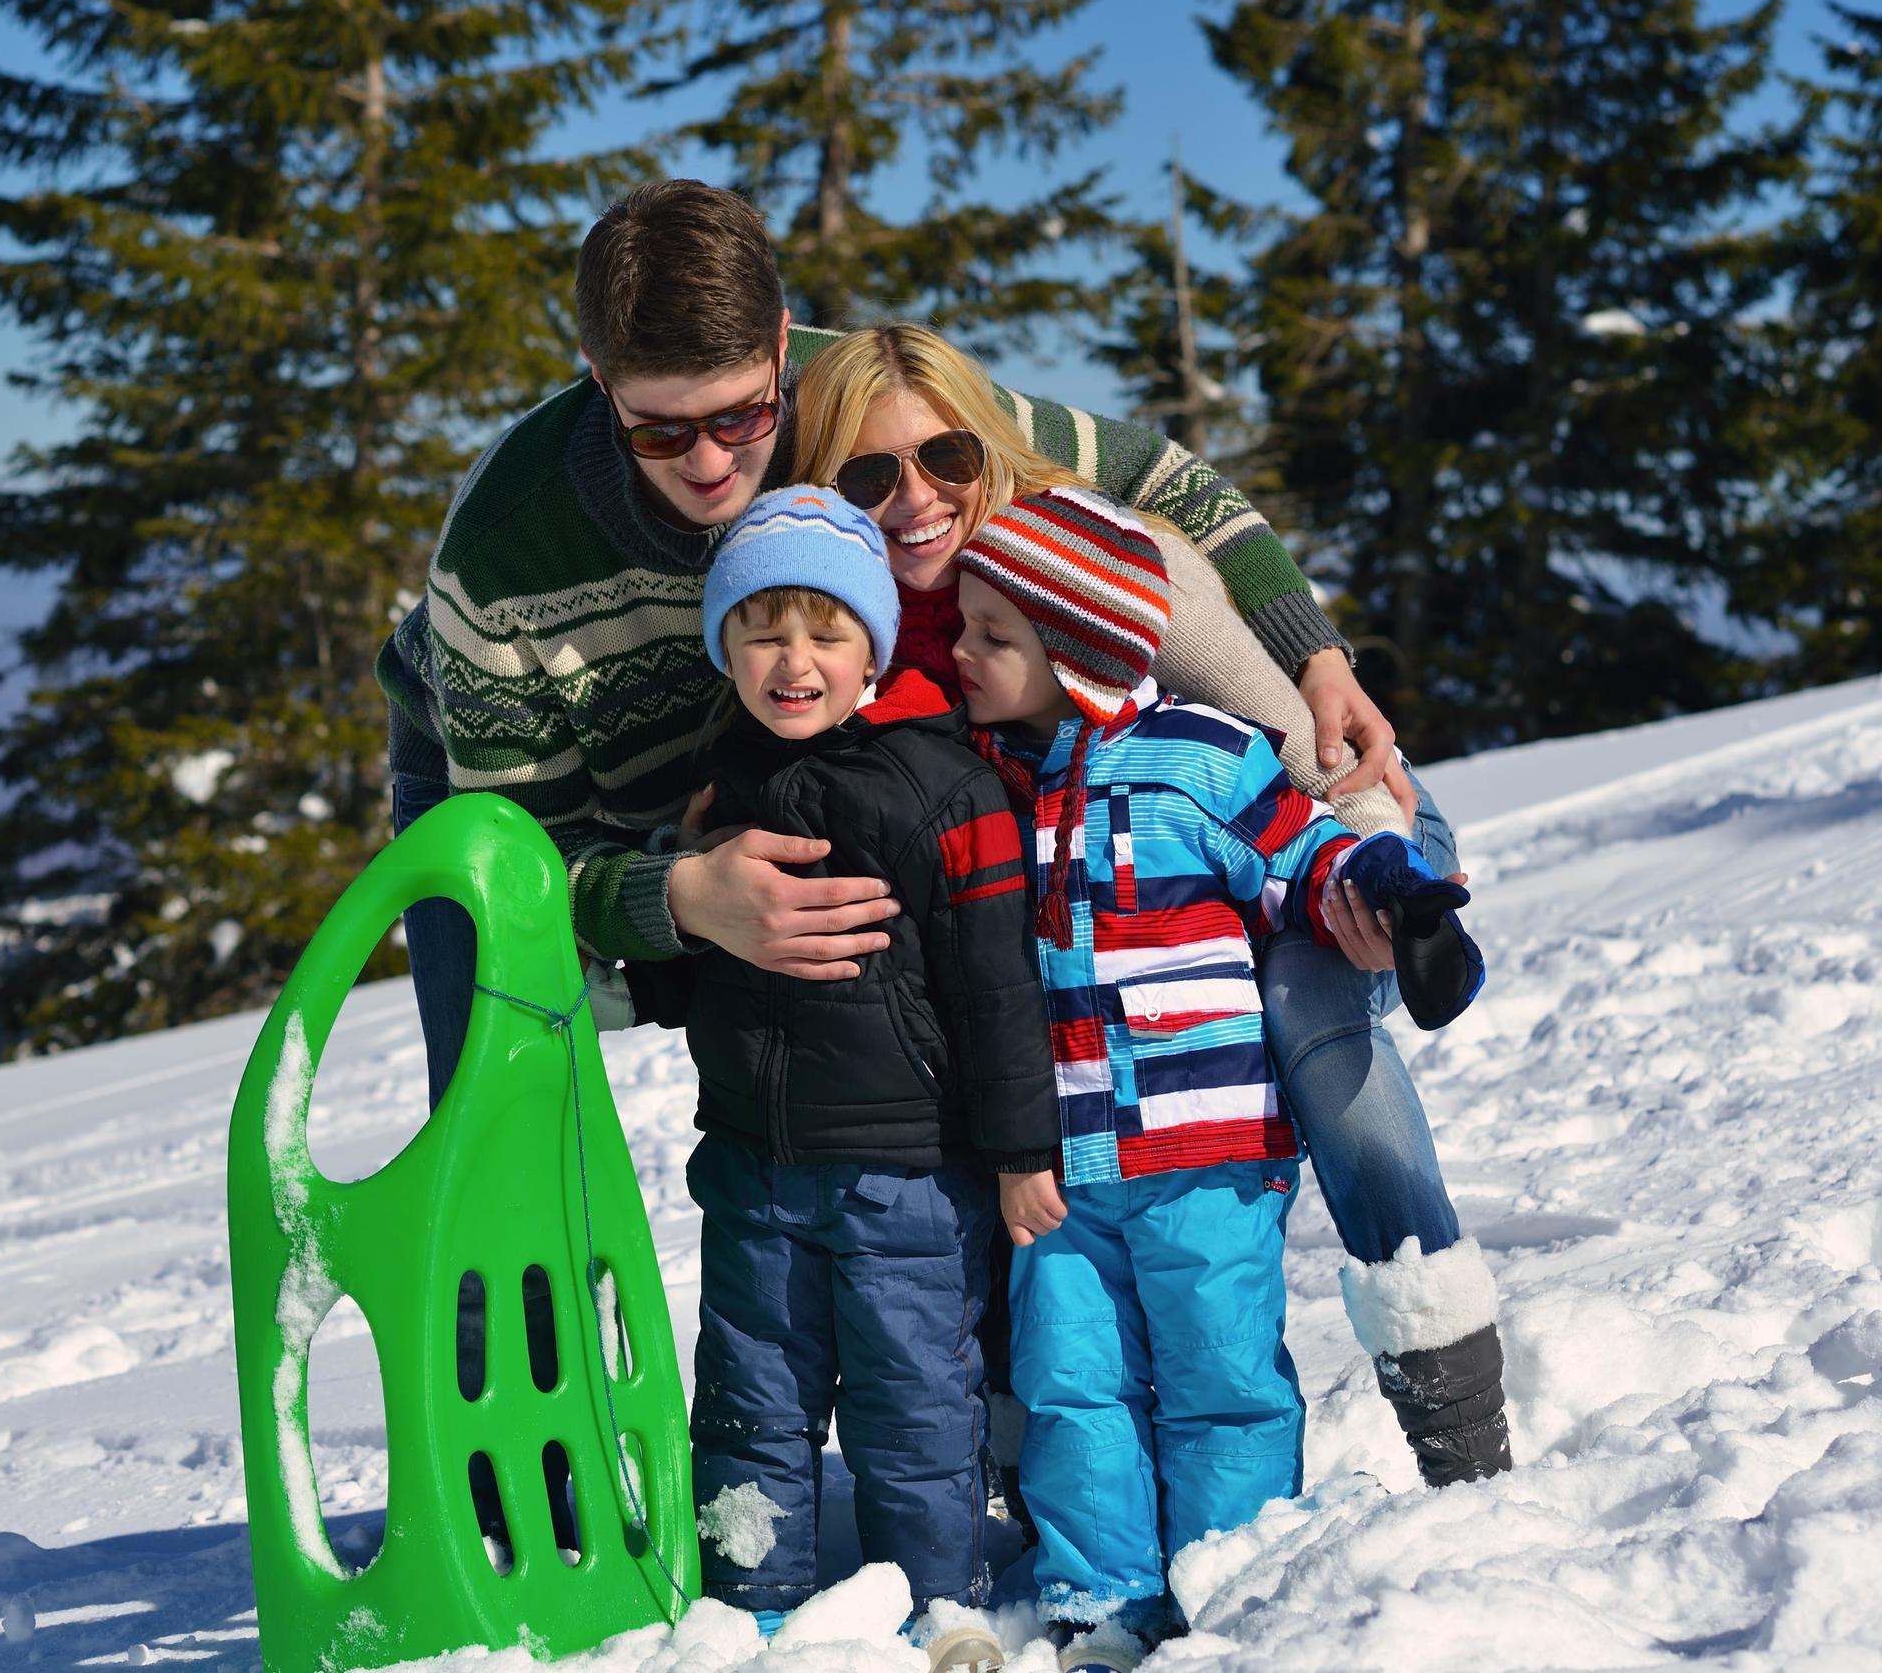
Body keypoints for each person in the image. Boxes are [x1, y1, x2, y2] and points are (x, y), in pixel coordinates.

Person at [376, 178, 1390, 1063]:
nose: (711, 462)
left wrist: (1313, 652)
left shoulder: (856, 400)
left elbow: (1158, 477)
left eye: (742, 415)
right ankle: (501, 1291)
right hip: (497, 778)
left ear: (782, 349)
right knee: (500, 1075)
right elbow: (532, 868)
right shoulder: (503, 553)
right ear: (600, 382)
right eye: (659, 429)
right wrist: (680, 896)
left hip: (765, 759)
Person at [788, 325, 1515, 1488]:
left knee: (1304, 1000)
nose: (917, 499)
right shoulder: (849, 628)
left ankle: (1456, 1413)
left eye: (948, 460)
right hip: (1118, 890)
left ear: (992, 450)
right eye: (871, 477)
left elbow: (1310, 757)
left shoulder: (1092, 563)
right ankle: (1050, 1452)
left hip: (1317, 827)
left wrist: (1380, 888)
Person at [946, 488, 1483, 1659]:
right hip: (1061, 1171)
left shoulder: (1203, 755)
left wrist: (1393, 893)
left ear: (1077, 650)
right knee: (1072, 1386)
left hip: (1209, 1154)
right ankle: (1103, 1604)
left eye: (993, 633)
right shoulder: (987, 784)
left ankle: (1233, 1586)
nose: (963, 650)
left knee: (1219, 1375)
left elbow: (1313, 850)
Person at [626, 487, 1054, 1671]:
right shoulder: (722, 786)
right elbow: (682, 979)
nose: (794, 659)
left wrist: (1020, 1153)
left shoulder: (944, 788)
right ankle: (753, 1594)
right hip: (755, 1168)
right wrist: (678, 900)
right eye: (763, 630)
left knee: (914, 1398)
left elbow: (997, 993)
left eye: (826, 631)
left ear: (873, 645)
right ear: (727, 646)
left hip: (908, 1174)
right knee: (749, 1396)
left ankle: (942, 1597)